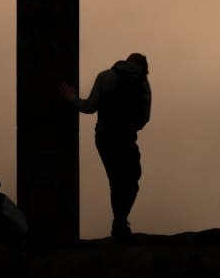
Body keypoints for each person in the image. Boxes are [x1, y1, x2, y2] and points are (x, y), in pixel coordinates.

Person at [60, 52, 151, 240]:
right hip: (126, 138)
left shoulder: (105, 76)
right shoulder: (142, 82)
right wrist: (131, 126)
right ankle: (120, 222)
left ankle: (119, 223)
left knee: (115, 180)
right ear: (143, 68)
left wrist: (72, 99)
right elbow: (145, 117)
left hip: (104, 136)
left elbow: (90, 107)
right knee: (131, 182)